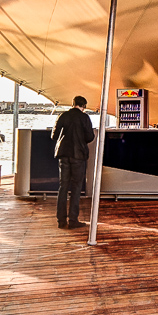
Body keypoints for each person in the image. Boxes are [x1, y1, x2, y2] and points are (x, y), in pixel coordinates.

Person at [51, 95, 94, 229]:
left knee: (63, 187)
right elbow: (90, 136)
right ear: (84, 106)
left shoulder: (63, 116)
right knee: (76, 188)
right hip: (78, 156)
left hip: (64, 155)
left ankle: (61, 220)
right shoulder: (85, 118)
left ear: (72, 104)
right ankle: (73, 220)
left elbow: (54, 136)